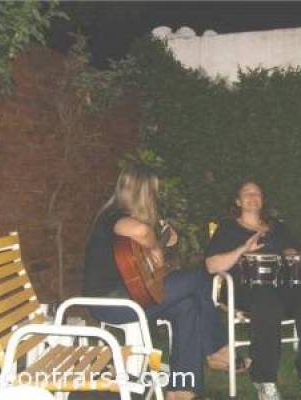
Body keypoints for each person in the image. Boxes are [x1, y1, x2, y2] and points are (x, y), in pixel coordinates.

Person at [83, 165, 229, 400]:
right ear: (141, 191)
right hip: (112, 303)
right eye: (152, 191)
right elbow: (140, 232)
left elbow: (139, 254)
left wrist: (163, 242)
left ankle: (181, 390)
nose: (155, 197)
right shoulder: (112, 215)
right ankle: (216, 349)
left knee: (188, 305)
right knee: (200, 277)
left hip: (131, 294)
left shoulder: (126, 217)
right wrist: (152, 244)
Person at [205, 180, 301, 400]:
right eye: (247, 193)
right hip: (247, 289)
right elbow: (212, 265)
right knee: (267, 302)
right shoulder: (228, 228)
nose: (253, 196)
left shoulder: (278, 227)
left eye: (257, 193)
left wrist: (291, 252)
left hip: (284, 287)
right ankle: (265, 380)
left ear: (263, 201)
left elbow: (295, 250)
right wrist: (244, 249)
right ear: (238, 201)